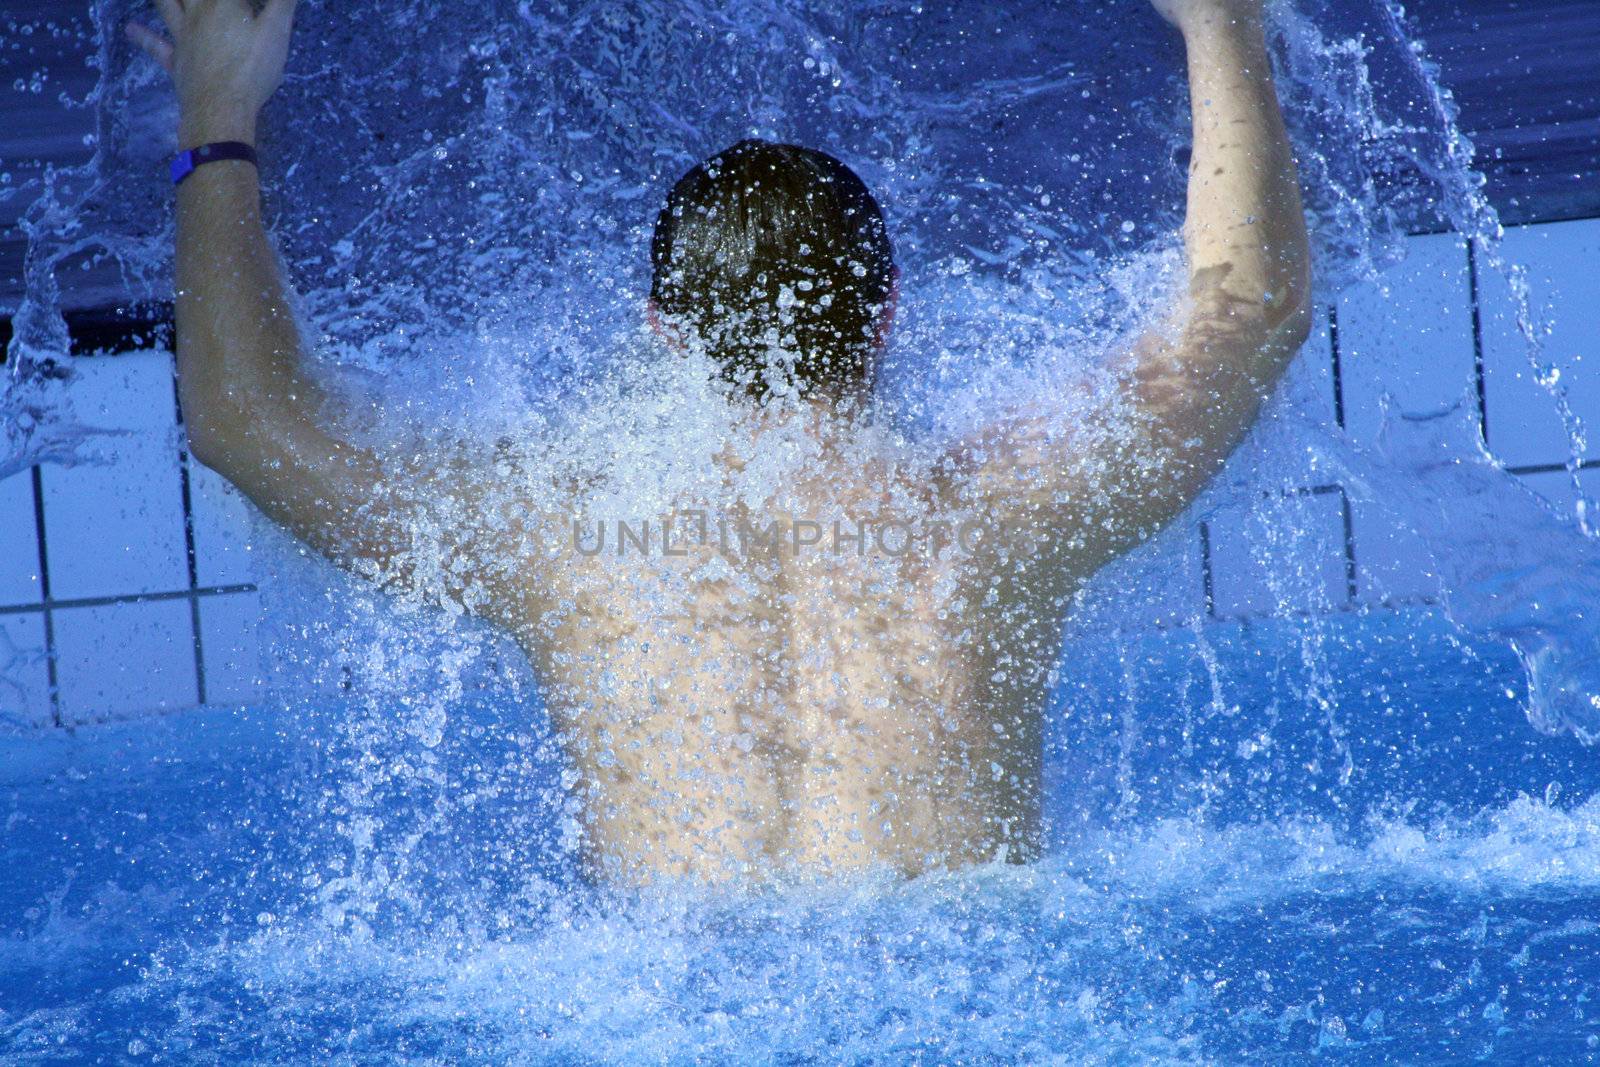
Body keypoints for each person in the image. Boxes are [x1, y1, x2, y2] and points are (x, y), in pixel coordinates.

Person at [128, 0, 1310, 882]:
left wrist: (214, 117)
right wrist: (1220, 24)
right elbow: (1244, 312)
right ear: (889, 307)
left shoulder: (566, 544)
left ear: (661, 332)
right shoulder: (993, 517)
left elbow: (245, 425)